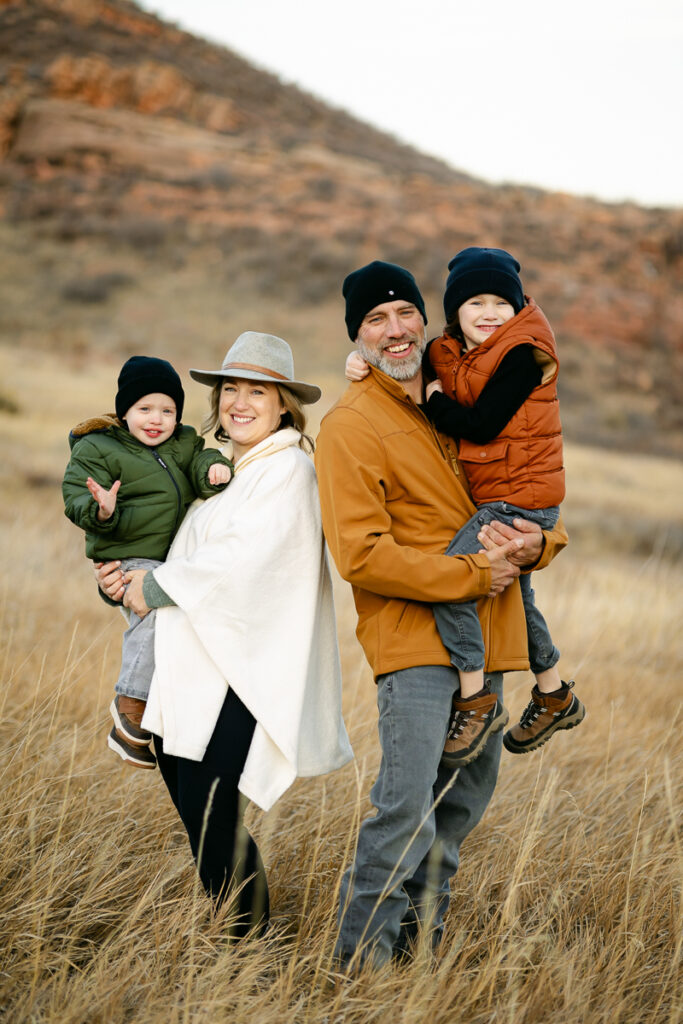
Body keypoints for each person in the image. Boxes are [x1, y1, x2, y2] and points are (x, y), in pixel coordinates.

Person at [316, 260, 568, 969]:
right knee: (404, 812)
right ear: (357, 337)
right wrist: (470, 573)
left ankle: (415, 963)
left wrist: (540, 541)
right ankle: (357, 973)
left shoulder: (449, 398)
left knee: (455, 813)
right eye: (374, 321)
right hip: (416, 645)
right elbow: (359, 554)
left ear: (426, 322)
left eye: (404, 316)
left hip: (487, 644)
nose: (394, 331)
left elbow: (512, 495)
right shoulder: (350, 423)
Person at [96, 331, 353, 936]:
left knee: (212, 813)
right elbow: (179, 547)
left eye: (256, 391)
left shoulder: (287, 469)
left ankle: (251, 941)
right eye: (229, 389)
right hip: (192, 667)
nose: (239, 401)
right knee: (198, 814)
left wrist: (153, 588)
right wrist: (122, 570)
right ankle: (240, 937)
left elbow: (241, 560)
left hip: (239, 672)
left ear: (284, 403)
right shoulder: (227, 472)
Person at [346, 248, 585, 768]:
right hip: (510, 498)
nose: (490, 312)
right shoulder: (455, 350)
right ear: (455, 313)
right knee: (519, 600)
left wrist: (434, 401)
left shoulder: (523, 354)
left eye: (502, 302)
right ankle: (553, 692)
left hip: (517, 501)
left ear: (519, 308)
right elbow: (403, 353)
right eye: (475, 301)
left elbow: (480, 425)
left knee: (460, 575)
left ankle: (475, 699)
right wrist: (357, 359)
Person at [62, 355, 233, 769]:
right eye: (145, 409)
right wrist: (101, 510)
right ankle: (130, 705)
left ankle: (162, 708)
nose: (156, 419)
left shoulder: (183, 442)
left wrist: (214, 468)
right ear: (125, 411)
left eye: (168, 410)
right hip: (126, 554)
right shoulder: (98, 447)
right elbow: (74, 495)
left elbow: (200, 460)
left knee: (171, 623)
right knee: (159, 610)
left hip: (168, 555)